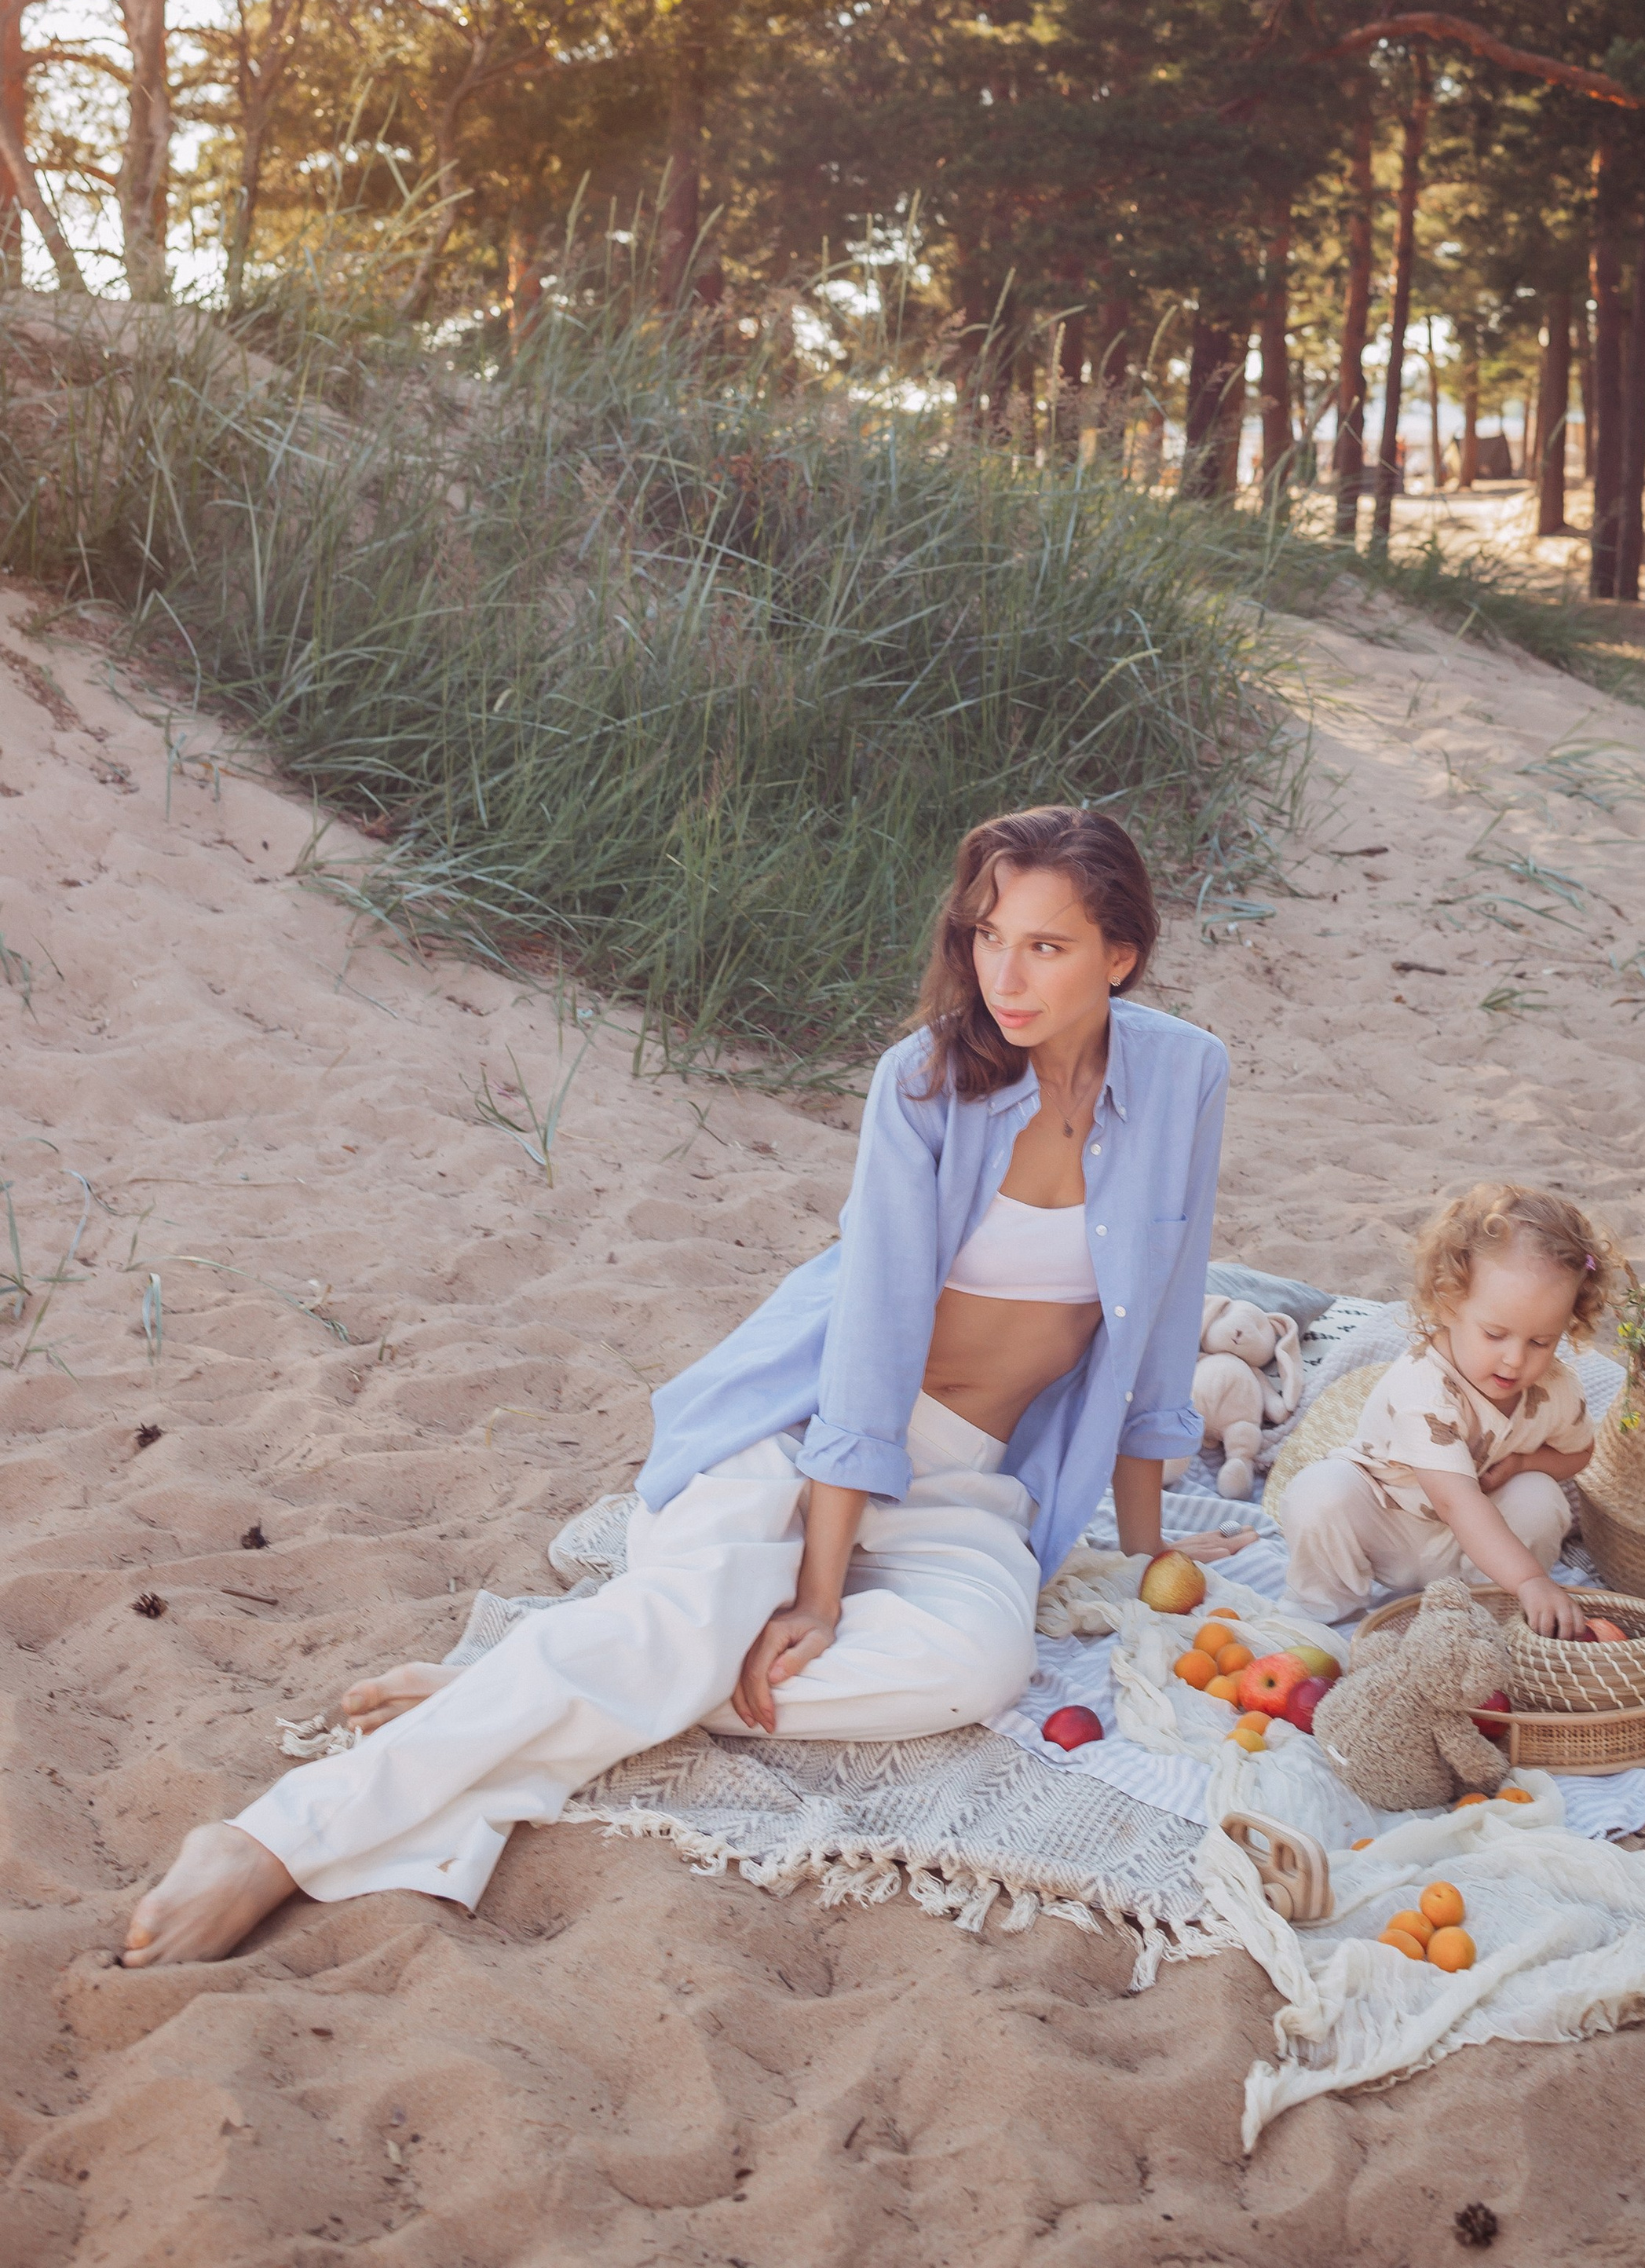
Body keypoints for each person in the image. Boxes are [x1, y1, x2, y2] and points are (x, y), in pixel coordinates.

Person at [122, 806, 1250, 1966]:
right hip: (800, 1431)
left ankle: (544, 1675)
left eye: (1046, 948)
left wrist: (1150, 1538)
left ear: (1122, 955)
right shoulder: (923, 1083)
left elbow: (1162, 1313)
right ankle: (272, 1837)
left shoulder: (1183, 1077)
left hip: (967, 1482)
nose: (1003, 976)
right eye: (986, 936)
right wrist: (816, 1591)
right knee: (706, 1614)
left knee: (974, 1667)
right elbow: (869, 1340)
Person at [1278, 1183, 1611, 1636]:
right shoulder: (1426, 1386)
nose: (1516, 1359)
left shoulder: (1555, 1388)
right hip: (1387, 1525)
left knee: (1540, 1495)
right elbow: (1455, 1500)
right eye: (1495, 1334)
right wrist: (1533, 1578)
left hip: (1474, 1546)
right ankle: (1324, 1617)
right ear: (1449, 1304)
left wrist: (1525, 1463)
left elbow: (1580, 1454)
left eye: (1541, 1341)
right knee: (1319, 1494)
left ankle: (1486, 1617)